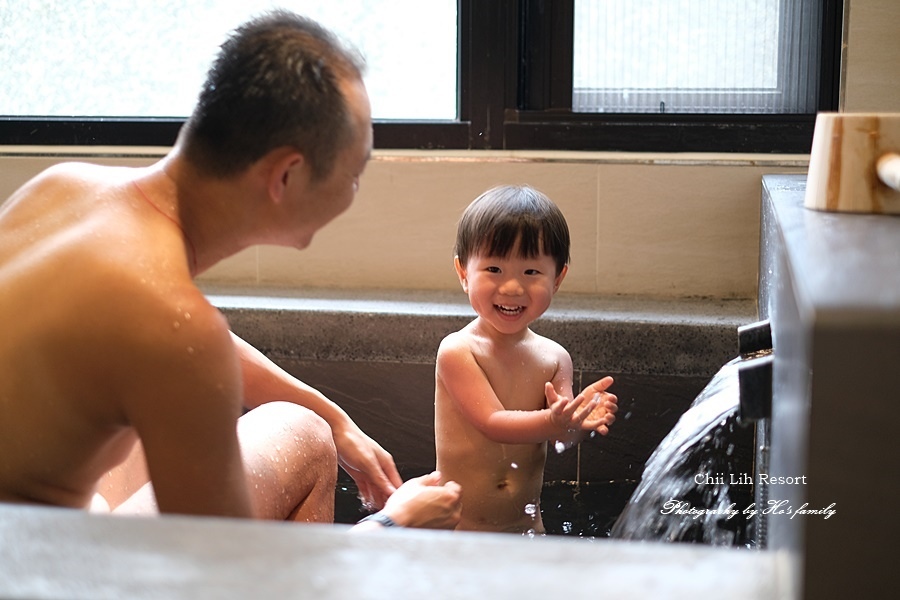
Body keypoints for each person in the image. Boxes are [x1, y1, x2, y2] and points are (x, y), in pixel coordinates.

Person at [0, 10, 461, 531]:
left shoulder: (62, 188)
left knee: (298, 424)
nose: (356, 190)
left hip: (29, 518)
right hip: (34, 569)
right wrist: (392, 528)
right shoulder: (175, 328)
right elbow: (220, 570)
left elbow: (156, 337)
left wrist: (340, 420)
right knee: (303, 438)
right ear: (287, 175)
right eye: (355, 174)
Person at [434, 185, 618, 534]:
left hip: (527, 528)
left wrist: (580, 420)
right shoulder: (458, 351)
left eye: (531, 272)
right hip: (461, 529)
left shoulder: (555, 357)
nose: (513, 288)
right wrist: (555, 421)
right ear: (463, 273)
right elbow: (492, 421)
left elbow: (560, 438)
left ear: (558, 277)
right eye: (494, 269)